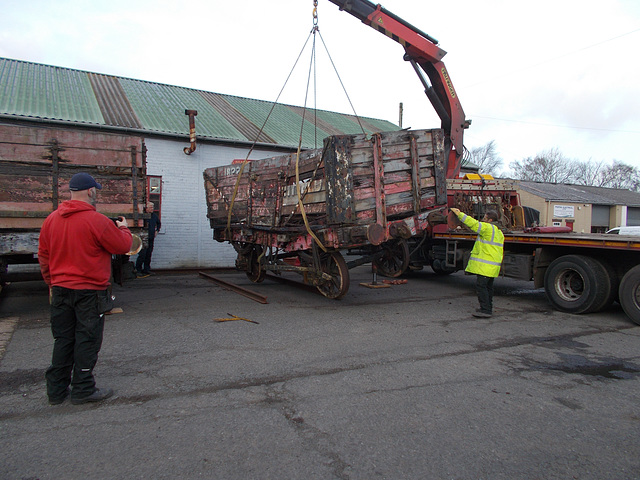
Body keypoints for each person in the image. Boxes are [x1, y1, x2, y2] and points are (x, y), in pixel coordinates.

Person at [38, 172, 133, 405]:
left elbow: (43, 256)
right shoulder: (96, 220)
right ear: (91, 191)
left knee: (63, 339)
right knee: (87, 339)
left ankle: (57, 391)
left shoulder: (51, 220)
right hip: (89, 292)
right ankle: (83, 389)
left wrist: (52, 283)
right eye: (96, 190)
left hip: (60, 290)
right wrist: (124, 228)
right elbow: (123, 246)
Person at [449, 208, 504, 318]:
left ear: (490, 219)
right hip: (492, 266)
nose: (483, 220)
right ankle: (488, 307)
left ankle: (485, 310)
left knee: (481, 287)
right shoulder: (498, 232)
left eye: (485, 218)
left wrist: (460, 215)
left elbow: (473, 224)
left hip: (485, 266)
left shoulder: (488, 228)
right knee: (488, 287)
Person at [135, 202, 161, 276]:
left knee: (148, 254)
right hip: (143, 238)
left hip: (151, 238)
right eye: (151, 207)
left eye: (153, 207)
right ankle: (138, 270)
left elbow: (159, 223)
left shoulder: (154, 216)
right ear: (146, 208)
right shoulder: (142, 216)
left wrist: (157, 230)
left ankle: (146, 269)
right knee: (142, 254)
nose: (152, 209)